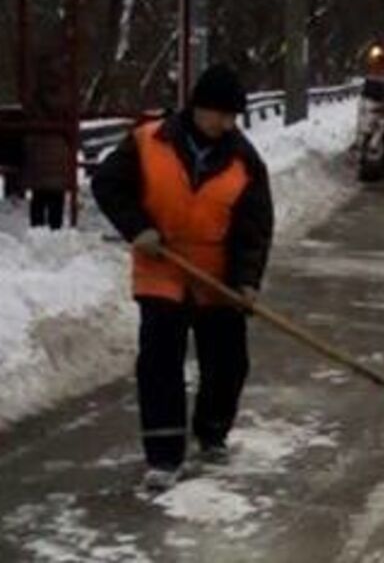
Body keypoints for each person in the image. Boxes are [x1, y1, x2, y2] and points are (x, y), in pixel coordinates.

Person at [91, 64, 274, 493]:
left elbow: (254, 228)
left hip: (216, 276)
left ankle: (212, 432)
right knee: (160, 363)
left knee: (228, 363)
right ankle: (163, 456)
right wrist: (137, 227)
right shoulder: (147, 141)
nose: (227, 124)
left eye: (233, 117)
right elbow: (108, 184)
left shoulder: (244, 160)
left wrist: (246, 281)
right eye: (221, 115)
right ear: (198, 108)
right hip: (161, 267)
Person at [22, 55, 74, 230]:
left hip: (37, 147)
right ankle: (55, 230)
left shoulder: (35, 97)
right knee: (56, 195)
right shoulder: (65, 98)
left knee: (39, 195)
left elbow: (28, 117)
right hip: (59, 147)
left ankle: (37, 230)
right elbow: (70, 122)